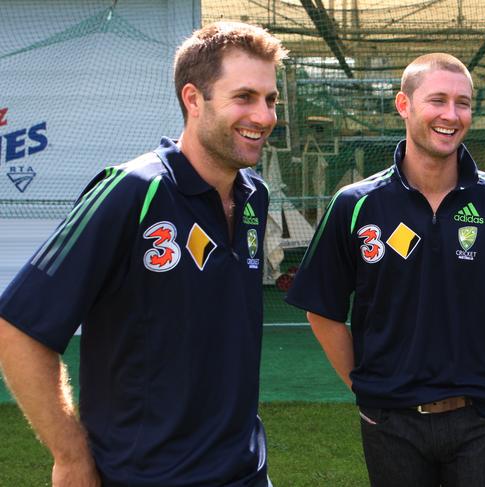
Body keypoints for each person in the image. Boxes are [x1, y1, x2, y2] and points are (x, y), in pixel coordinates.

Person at [0, 21, 287, 486]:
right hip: (146, 477)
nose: (265, 115)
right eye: (245, 97)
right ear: (193, 99)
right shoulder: (133, 191)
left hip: (246, 473)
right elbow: (18, 328)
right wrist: (70, 457)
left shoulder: (254, 195)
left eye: (270, 99)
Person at [285, 53, 485, 486]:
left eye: (463, 103)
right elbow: (321, 309)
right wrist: (367, 388)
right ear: (404, 105)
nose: (451, 115)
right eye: (437, 100)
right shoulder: (355, 204)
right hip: (391, 423)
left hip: (480, 421)